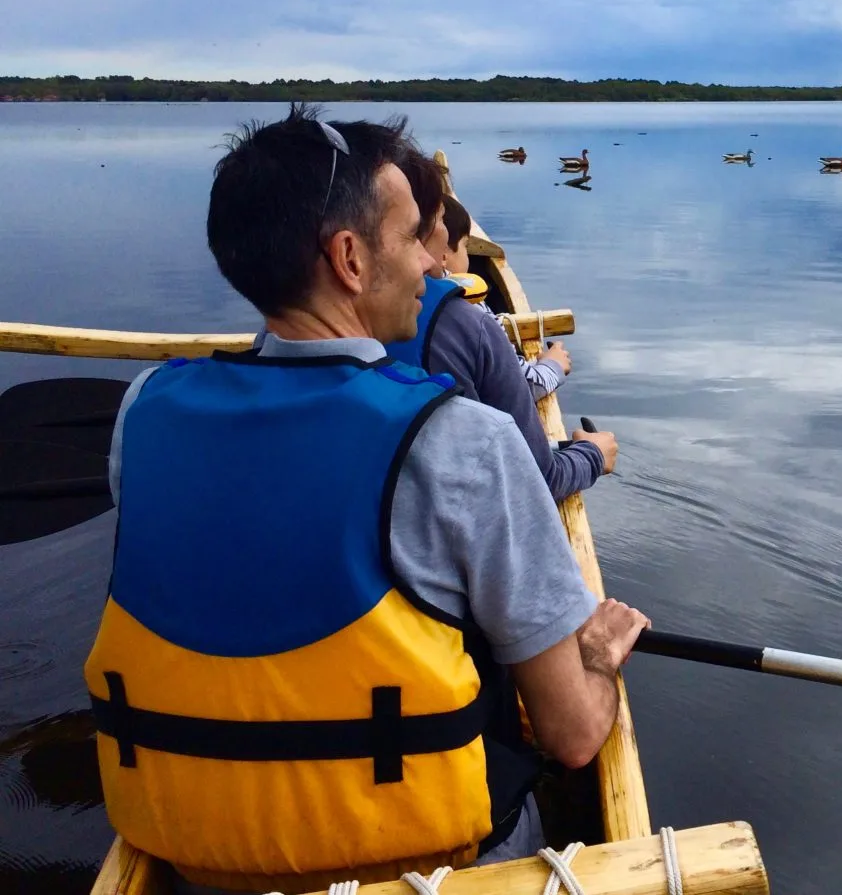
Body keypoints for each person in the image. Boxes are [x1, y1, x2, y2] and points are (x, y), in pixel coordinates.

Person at [85, 105, 648, 894]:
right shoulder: (464, 442)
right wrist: (595, 656)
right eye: (415, 235)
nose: (434, 262)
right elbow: (576, 735)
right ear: (349, 257)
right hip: (426, 867)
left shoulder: (142, 412)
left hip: (197, 860)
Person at [390, 152, 612, 502]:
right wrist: (593, 455)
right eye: (437, 218)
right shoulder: (466, 324)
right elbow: (540, 478)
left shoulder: (296, 343)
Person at [437, 192, 570, 400]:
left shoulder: (415, 300)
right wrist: (554, 364)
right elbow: (522, 387)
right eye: (465, 245)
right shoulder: (471, 308)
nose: (467, 256)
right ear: (443, 254)